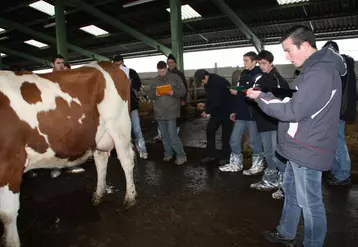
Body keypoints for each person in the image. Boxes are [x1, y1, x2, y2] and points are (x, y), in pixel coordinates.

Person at [246, 25, 346, 247]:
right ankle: (286, 232)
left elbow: (293, 111)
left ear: (306, 45)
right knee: (291, 192)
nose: (287, 56)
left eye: (289, 50)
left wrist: (262, 100)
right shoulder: (312, 71)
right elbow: (295, 101)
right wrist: (265, 94)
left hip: (308, 147)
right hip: (300, 144)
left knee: (310, 203)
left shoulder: (321, 72)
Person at [248, 50, 289, 200]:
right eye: (259, 63)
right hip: (263, 120)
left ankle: (286, 186)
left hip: (274, 122)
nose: (261, 66)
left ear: (271, 63)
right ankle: (271, 180)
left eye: (264, 63)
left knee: (278, 154)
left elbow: (283, 99)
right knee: (268, 153)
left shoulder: (277, 79)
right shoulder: (261, 77)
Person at [218, 52, 263, 175]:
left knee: (254, 141)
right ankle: (236, 163)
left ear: (254, 62)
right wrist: (234, 110)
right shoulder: (243, 74)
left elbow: (255, 93)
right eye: (243, 61)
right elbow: (240, 91)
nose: (244, 63)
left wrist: (238, 92)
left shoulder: (259, 74)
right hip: (241, 112)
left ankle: (257, 165)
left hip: (253, 113)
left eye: (246, 61)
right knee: (234, 139)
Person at [322, 41, 356, 187]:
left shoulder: (341, 66)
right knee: (334, 142)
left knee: (338, 142)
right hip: (337, 110)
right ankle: (337, 171)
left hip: (337, 111)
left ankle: (342, 174)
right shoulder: (344, 66)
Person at [148, 61, 187, 165]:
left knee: (173, 135)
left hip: (171, 111)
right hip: (159, 112)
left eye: (163, 71)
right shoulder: (155, 80)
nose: (161, 73)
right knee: (164, 135)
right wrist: (155, 93)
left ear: (166, 68)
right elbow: (150, 94)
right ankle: (168, 154)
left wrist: (173, 92)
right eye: (159, 71)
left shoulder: (175, 77)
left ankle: (181, 156)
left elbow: (183, 91)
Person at [194, 69, 234, 165]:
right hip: (217, 110)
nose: (202, 83)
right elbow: (210, 97)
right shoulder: (209, 83)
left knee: (226, 135)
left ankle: (226, 157)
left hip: (228, 110)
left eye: (202, 81)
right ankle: (211, 154)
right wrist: (205, 105)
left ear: (206, 76)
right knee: (210, 130)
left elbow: (217, 100)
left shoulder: (217, 82)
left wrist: (207, 111)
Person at [112, 54, 148, 159]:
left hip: (131, 105)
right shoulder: (112, 74)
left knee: (137, 129)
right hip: (119, 108)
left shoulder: (131, 72)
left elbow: (138, 84)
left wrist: (130, 83)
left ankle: (142, 149)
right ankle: (124, 152)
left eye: (119, 63)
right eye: (116, 64)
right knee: (122, 130)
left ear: (123, 62)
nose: (118, 66)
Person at [153, 54, 188, 141]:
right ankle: (162, 134)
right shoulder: (164, 74)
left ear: (175, 63)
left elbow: (184, 88)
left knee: (175, 118)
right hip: (163, 101)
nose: (170, 64)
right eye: (168, 63)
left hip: (175, 99)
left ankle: (175, 134)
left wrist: (183, 99)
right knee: (163, 118)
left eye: (172, 62)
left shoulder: (179, 74)